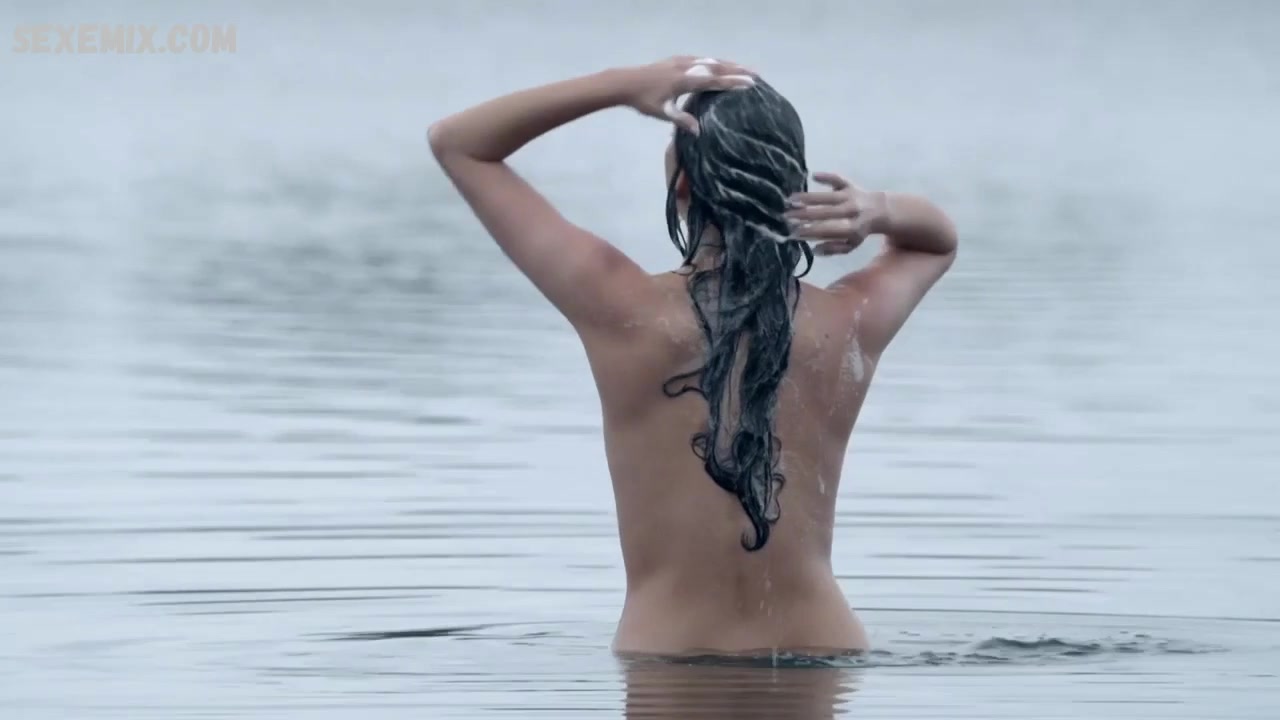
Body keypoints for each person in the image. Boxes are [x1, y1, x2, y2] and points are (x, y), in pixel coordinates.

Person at [427, 56, 957, 657]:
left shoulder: (621, 307)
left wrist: (621, 86)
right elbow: (935, 245)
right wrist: (878, 209)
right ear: (796, 194)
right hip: (826, 649)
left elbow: (459, 143)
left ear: (681, 186)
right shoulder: (845, 323)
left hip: (671, 661)